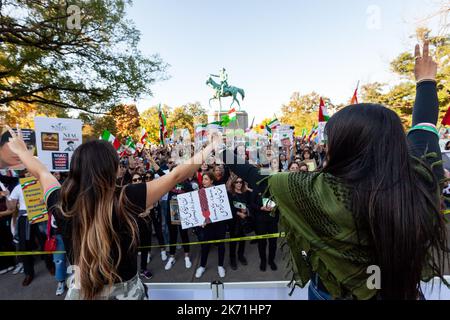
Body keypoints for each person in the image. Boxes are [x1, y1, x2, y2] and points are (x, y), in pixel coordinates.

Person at [222, 42, 449, 300]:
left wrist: (219, 151)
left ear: (345, 149)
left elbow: (258, 180)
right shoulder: (421, 177)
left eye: (331, 142)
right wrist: (427, 81)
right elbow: (424, 126)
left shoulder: (320, 193)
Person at [6, 130, 217, 300]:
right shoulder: (127, 197)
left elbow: (42, 172)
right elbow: (177, 175)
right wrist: (211, 147)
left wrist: (23, 152)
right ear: (112, 168)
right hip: (127, 293)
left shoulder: (62, 202)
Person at [195, 171, 227, 279]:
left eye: (206, 179)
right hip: (207, 225)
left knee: (221, 245)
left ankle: (220, 266)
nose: (203, 181)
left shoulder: (219, 191)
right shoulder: (200, 192)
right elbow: (199, 210)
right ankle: (202, 266)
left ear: (212, 180)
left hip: (220, 224)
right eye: (203, 179)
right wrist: (201, 221)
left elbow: (223, 208)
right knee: (205, 246)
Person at [227, 176, 252, 270]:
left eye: (241, 182)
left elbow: (250, 204)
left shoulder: (246, 193)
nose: (239, 184)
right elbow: (229, 207)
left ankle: (241, 256)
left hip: (244, 220)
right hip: (234, 221)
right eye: (237, 182)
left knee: (242, 240)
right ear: (233, 183)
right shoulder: (230, 193)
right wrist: (238, 213)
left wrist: (246, 211)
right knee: (233, 241)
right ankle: (232, 259)